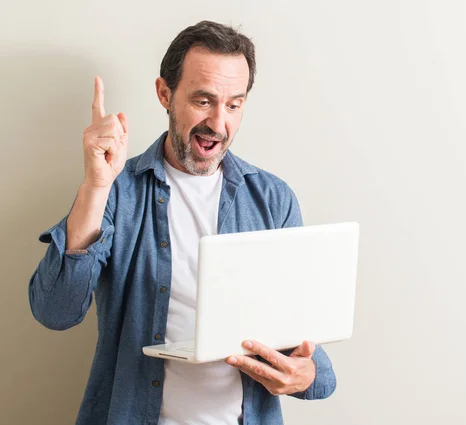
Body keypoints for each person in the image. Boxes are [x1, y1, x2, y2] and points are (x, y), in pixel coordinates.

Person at [28, 20, 336, 425]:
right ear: (165, 94)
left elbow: (308, 354)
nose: (218, 124)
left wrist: (307, 373)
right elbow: (55, 311)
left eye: (234, 104)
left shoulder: (273, 200)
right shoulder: (119, 193)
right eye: (203, 101)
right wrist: (95, 185)